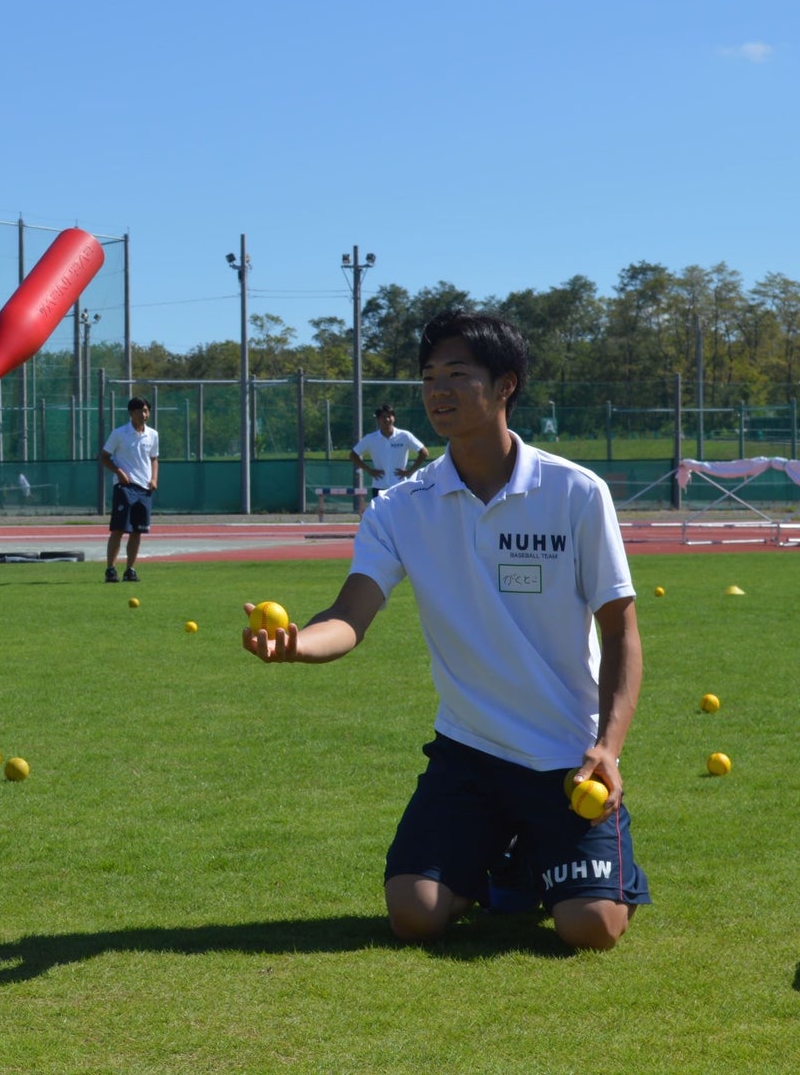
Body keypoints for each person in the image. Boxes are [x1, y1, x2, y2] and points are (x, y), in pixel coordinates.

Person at [243, 310, 648, 952]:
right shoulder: (400, 508)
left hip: (567, 759)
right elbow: (348, 618)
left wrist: (609, 747)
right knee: (414, 914)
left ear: (505, 384)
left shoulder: (575, 492)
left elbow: (621, 632)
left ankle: (559, 859)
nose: (439, 390)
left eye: (457, 374)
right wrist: (297, 644)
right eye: (430, 376)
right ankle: (513, 860)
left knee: (590, 928)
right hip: (470, 754)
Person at [99, 397, 159, 582]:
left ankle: (130, 570)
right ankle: (110, 569)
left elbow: (154, 458)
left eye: (146, 411)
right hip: (125, 487)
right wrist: (119, 472)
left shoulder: (153, 435)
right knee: (118, 529)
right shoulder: (119, 433)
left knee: (137, 531)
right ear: (131, 413)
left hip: (144, 488)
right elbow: (104, 456)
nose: (144, 415)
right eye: (140, 411)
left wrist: (154, 478)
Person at [350, 404, 432, 499]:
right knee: (380, 514)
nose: (387, 419)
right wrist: (369, 470)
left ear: (394, 418)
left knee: (401, 513)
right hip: (379, 486)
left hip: (400, 485)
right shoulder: (370, 438)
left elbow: (424, 452)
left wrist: (410, 471)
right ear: (378, 420)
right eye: (383, 417)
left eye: (389, 416)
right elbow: (353, 455)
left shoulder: (404, 436)